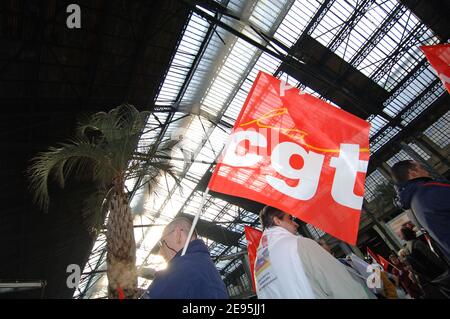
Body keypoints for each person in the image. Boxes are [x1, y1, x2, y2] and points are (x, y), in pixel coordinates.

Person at [254, 206, 372, 299]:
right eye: (290, 218)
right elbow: (341, 287)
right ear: (277, 221)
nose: (296, 224)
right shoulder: (299, 244)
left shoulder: (258, 266)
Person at [144, 217, 228, 299]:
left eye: (162, 243)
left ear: (178, 234)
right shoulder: (208, 268)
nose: (160, 252)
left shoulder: (177, 271)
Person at [391, 160, 450, 263]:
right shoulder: (429, 190)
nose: (426, 171)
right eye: (421, 168)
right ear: (412, 173)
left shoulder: (410, 206)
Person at [400, 226, 449, 298]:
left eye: (401, 234)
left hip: (428, 276)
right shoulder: (416, 243)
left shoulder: (408, 247)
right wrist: (444, 267)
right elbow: (432, 257)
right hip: (437, 272)